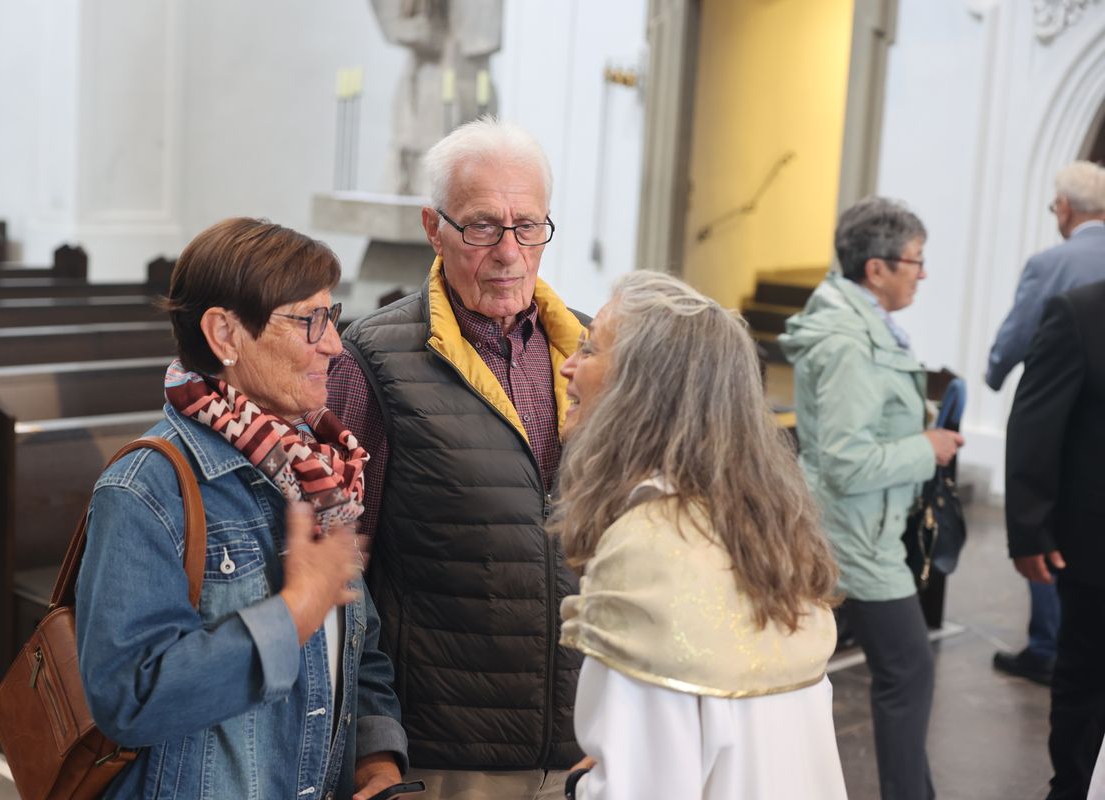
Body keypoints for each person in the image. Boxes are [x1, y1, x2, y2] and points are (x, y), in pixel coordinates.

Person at [76, 217, 408, 800]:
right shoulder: (145, 490)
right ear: (225, 334)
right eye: (310, 320)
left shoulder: (318, 472)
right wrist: (295, 610)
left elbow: (359, 646)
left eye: (331, 317)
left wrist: (377, 759)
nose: (334, 342)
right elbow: (128, 699)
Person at [327, 118, 586, 800]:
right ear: (432, 227)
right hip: (447, 753)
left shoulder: (591, 354)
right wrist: (373, 746)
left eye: (528, 225)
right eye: (481, 226)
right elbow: (341, 572)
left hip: (586, 746)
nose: (509, 251)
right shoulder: (374, 362)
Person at [551, 271, 847, 800]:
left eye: (591, 349)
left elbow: (639, 789)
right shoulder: (766, 530)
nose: (569, 367)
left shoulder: (648, 548)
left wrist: (581, 785)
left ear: (640, 390)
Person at [779, 197, 964, 800]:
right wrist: (927, 446)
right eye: (915, 260)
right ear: (877, 269)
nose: (923, 272)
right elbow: (845, 459)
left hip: (857, 527)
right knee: (906, 674)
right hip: (856, 534)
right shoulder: (848, 340)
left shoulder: (859, 320)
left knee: (822, 672)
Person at [986, 160, 1105, 688]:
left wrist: (993, 373)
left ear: (1064, 207)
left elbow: (1020, 332)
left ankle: (1044, 646)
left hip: (1058, 423)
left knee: (1049, 528)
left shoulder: (1051, 262)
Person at [1005, 278, 1105, 800]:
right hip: (1094, 546)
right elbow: (1034, 424)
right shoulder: (1080, 312)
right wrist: (1028, 529)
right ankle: (1071, 786)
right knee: (1086, 682)